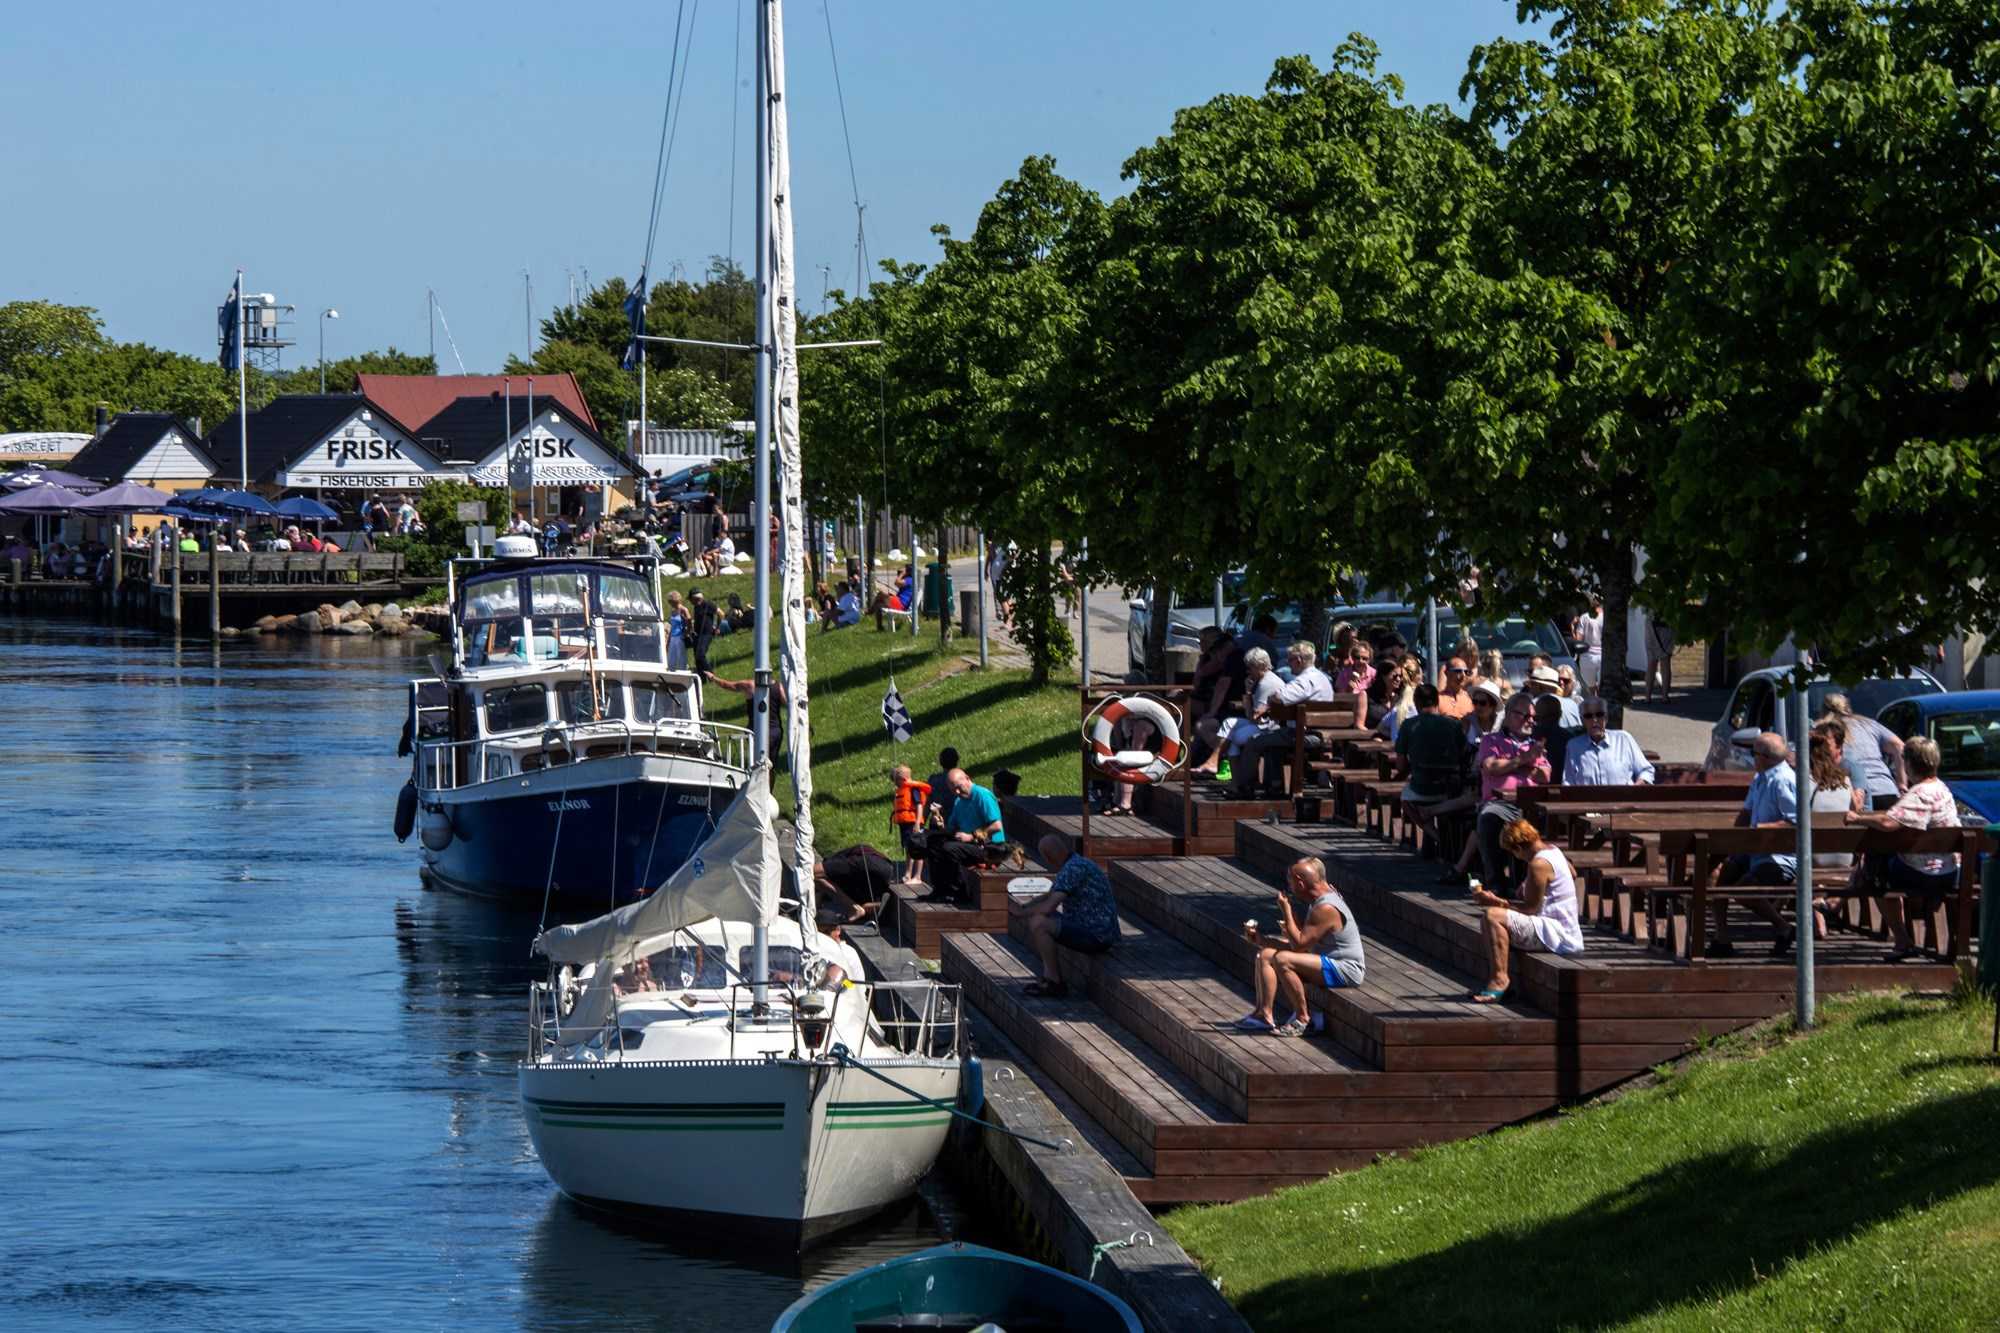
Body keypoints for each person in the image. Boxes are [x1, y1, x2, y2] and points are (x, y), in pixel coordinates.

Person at [1847, 735, 1961, 961]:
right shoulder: (1942, 789)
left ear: (1909, 763)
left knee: (1875, 874)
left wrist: (1857, 818)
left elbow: (1889, 823)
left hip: (1922, 873)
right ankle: (1835, 902)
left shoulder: (1918, 794)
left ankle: (1901, 939)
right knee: (1878, 866)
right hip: (1949, 872)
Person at [1237, 857, 1365, 1036]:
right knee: (1266, 955)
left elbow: (1298, 946)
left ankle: (1304, 1019)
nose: (1288, 886)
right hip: (1325, 962)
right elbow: (1300, 946)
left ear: (1300, 882)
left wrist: (1286, 911)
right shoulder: (1320, 900)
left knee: (1283, 959)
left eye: (1290, 880)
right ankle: (1263, 1015)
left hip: (1345, 969)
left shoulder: (1326, 907)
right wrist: (1261, 940)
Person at [1470, 819, 1585, 1001]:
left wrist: (1496, 901)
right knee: (1492, 921)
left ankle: (1500, 979)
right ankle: (1499, 978)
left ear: (1518, 848)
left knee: (1492, 917)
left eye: (1513, 852)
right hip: (1568, 928)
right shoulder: (1554, 850)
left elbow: (1530, 909)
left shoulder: (1538, 864)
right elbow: (1572, 873)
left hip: (1555, 933)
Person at [1707, 731, 1799, 957]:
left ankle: (1783, 927)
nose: (1751, 757)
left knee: (1743, 891)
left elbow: (1796, 823)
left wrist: (1760, 831)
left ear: (1764, 757)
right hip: (1752, 850)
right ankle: (1722, 938)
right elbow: (1746, 813)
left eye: (1753, 753)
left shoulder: (1783, 781)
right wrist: (1731, 841)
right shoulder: (1760, 778)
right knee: (1715, 876)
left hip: (1780, 856)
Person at [1013, 835, 1120, 997]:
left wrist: (1021, 913)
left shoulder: (1072, 869)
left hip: (1097, 935)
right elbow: (1051, 894)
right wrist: (1026, 906)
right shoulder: (1077, 862)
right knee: (1038, 915)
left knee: (1039, 922)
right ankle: (1049, 978)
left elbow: (1049, 907)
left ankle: (1054, 981)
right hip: (1094, 928)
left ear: (1049, 857)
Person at [1227, 641, 1335, 798]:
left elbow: (1280, 695)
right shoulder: (1323, 678)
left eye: (1290, 659)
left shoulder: (1305, 680)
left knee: (1254, 741)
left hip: (1305, 735)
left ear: (1298, 661)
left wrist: (1268, 702)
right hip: (1322, 733)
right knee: (1273, 740)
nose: (1288, 663)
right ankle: (1274, 786)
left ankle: (1243, 788)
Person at [1471, 694, 1552, 896]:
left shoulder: (1536, 744)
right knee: (1488, 818)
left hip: (1531, 805)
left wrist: (1512, 765)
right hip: (1499, 804)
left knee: (1545, 825)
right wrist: (1526, 759)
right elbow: (1490, 767)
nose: (1530, 720)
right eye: (1525, 715)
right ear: (1508, 715)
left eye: (1533, 717)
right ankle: (1496, 883)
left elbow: (1545, 775)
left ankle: (1530, 883)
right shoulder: (1492, 740)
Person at [1190, 646, 1280, 783]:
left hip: (1268, 727)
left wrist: (1248, 695)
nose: (1248, 672)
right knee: (1228, 723)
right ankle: (1215, 764)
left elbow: (1253, 717)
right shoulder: (1261, 681)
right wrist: (1248, 692)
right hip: (1260, 723)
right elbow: (1251, 715)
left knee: (1234, 736)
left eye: (1250, 668)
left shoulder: (1266, 684)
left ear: (1261, 666)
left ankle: (1238, 779)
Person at [924, 768, 1009, 904]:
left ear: (967, 779)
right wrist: (940, 824)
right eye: (953, 790)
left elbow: (996, 826)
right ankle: (939, 890)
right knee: (933, 842)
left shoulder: (982, 795)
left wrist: (971, 836)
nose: (957, 792)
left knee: (950, 848)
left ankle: (960, 892)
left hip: (992, 847)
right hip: (971, 844)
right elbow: (952, 829)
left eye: (959, 787)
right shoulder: (959, 801)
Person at [1819, 693, 1905, 809]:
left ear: (1823, 709)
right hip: (1885, 790)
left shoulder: (1823, 730)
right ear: (1848, 707)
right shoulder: (1869, 724)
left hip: (1853, 794)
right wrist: (1902, 783)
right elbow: (1899, 746)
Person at [1394, 684, 1467, 815]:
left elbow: (1400, 765)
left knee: (1405, 799)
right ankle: (1435, 831)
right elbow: (1463, 756)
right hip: (1451, 788)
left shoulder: (1408, 725)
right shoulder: (1455, 724)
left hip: (1421, 787)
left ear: (1416, 702)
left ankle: (1432, 832)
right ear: (1437, 701)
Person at [1563, 698, 1655, 785]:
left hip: (1623, 800)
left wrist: (1635, 788)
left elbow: (1646, 771)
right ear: (1582, 720)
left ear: (1606, 717)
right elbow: (1568, 781)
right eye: (1588, 716)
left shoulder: (1624, 739)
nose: (1594, 720)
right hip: (1588, 800)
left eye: (1599, 715)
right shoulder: (1574, 746)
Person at [890, 765, 933, 885]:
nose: (895, 783)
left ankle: (917, 876)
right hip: (905, 824)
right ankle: (907, 874)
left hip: (913, 823)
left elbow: (919, 806)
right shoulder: (902, 789)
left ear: (902, 779)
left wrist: (917, 823)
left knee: (918, 848)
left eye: (896, 781)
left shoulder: (913, 789)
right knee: (909, 849)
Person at [1644, 608, 1676, 702]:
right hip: (1666, 622)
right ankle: (1665, 696)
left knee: (1651, 663)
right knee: (1665, 661)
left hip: (1651, 623)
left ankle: (1647, 697)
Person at [1573, 601, 1605, 695]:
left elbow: (1579, 639)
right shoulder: (1606, 617)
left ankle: (1592, 708)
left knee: (1589, 689)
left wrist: (1572, 628)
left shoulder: (1585, 617)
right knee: (1602, 688)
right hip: (1603, 655)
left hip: (1587, 656)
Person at [926, 747, 961, 829]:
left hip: (937, 822)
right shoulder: (962, 780)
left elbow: (927, 803)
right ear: (957, 760)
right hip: (958, 824)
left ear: (940, 762)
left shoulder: (933, 780)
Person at [1435, 656, 1475, 720]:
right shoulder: (1436, 699)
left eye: (1466, 672)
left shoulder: (1471, 699)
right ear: (1446, 673)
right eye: (1458, 671)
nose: (1463, 675)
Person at [688, 588, 718, 672]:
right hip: (697, 634)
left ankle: (711, 675)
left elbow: (721, 614)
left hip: (706, 634)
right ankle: (702, 677)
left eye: (691, 599)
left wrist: (716, 626)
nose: (690, 602)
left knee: (700, 655)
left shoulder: (708, 604)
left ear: (695, 598)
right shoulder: (696, 607)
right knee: (697, 657)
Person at [664, 590, 689, 669]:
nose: (670, 603)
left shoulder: (683, 610)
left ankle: (683, 672)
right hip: (673, 636)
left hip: (680, 636)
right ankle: (671, 672)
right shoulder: (673, 611)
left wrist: (686, 633)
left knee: (681, 658)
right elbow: (672, 626)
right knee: (671, 658)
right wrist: (668, 639)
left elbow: (689, 621)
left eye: (671, 601)